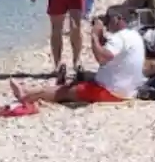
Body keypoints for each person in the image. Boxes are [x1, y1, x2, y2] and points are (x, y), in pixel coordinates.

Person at [11, 6, 147, 104]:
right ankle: (43, 89)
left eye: (108, 19)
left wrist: (94, 35)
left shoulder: (119, 38)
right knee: (82, 78)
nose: (107, 24)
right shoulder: (133, 35)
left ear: (117, 19)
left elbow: (102, 58)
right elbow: (110, 52)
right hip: (127, 90)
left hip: (111, 92)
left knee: (64, 91)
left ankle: (26, 94)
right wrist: (100, 36)